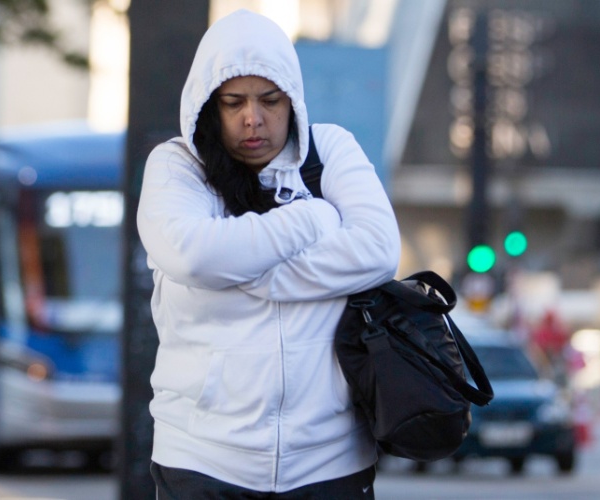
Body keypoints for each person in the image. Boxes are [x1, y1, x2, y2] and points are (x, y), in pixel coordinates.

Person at [136, 10, 401, 498]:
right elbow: (192, 257)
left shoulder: (332, 150)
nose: (252, 119)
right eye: (233, 102)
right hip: (202, 459)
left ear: (293, 100)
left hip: (330, 460)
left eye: (269, 100)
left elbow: (379, 251)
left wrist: (244, 270)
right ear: (209, 106)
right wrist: (312, 220)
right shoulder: (177, 168)